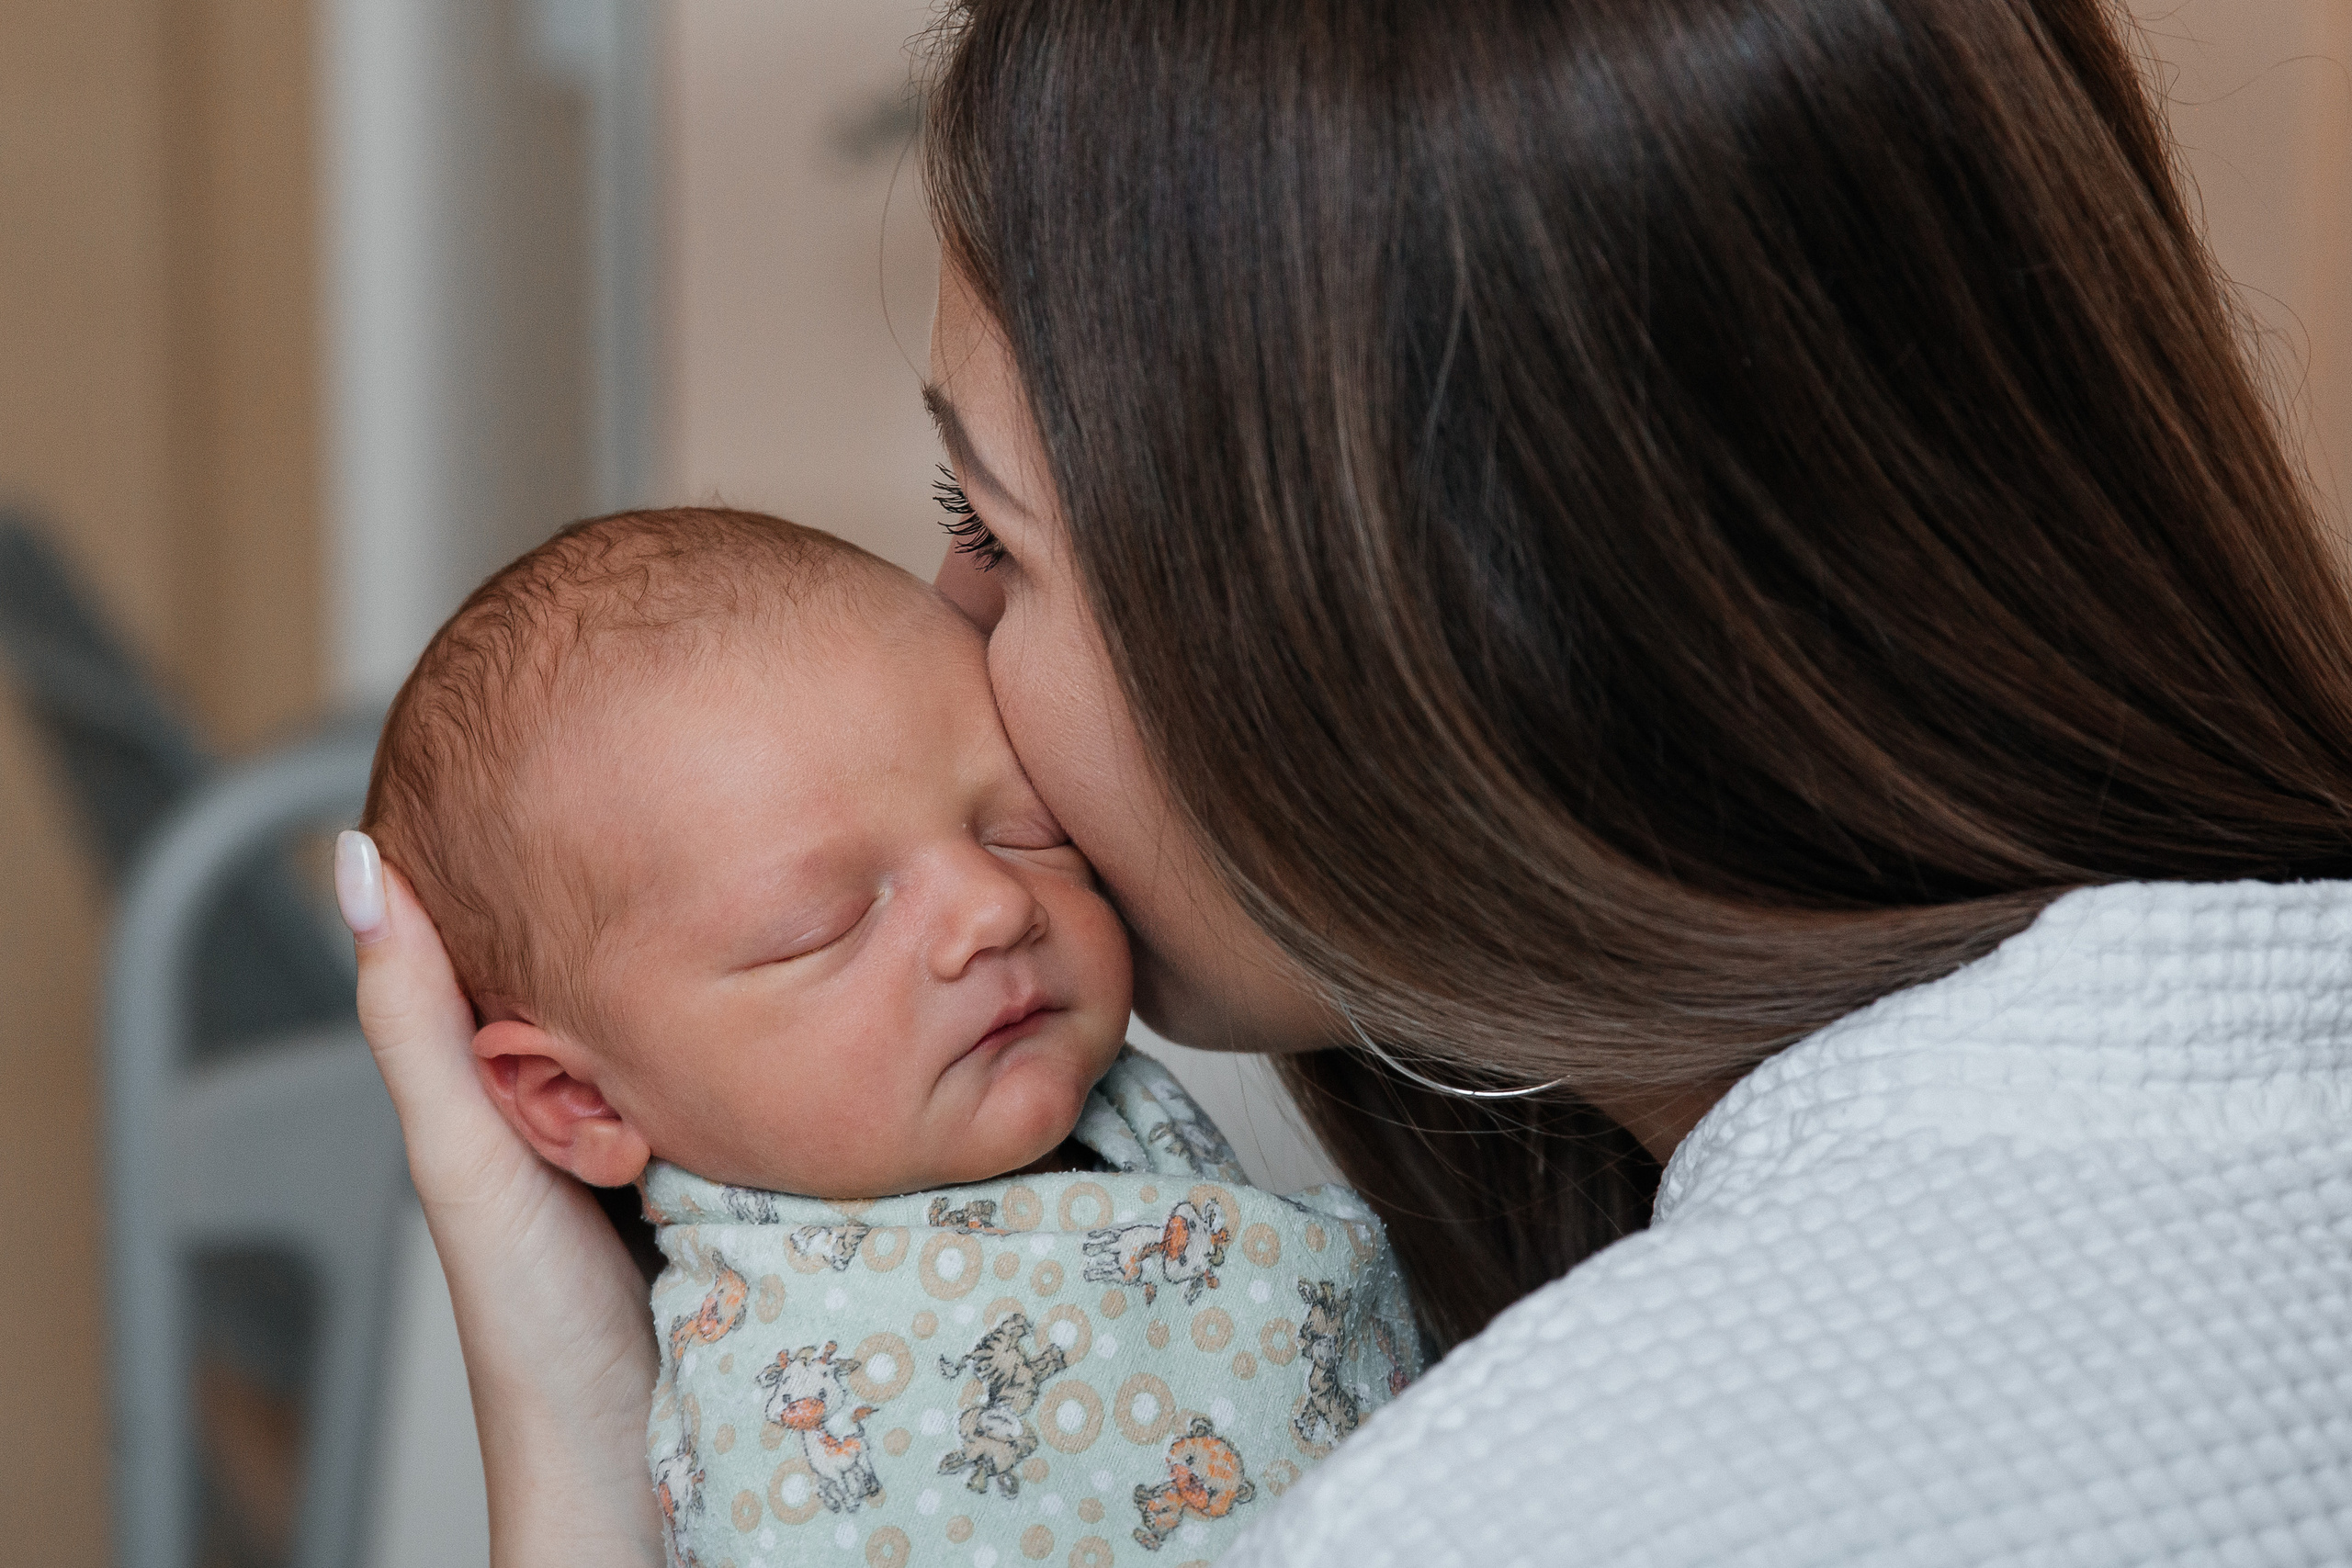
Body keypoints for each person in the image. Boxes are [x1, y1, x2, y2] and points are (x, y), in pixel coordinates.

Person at [336, 0, 2352, 1561]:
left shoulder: (1557, 1498)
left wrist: (573, 1480)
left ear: (1422, 630)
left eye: (993, 526)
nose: (946, 633)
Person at [347, 506, 1416, 1566]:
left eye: (1024, 829)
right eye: (828, 925)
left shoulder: (1136, 1090)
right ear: (581, 1099)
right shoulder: (788, 1416)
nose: (994, 907)